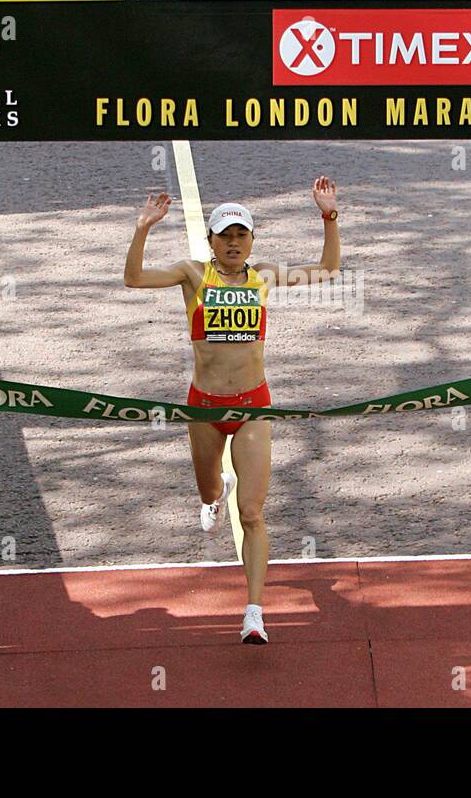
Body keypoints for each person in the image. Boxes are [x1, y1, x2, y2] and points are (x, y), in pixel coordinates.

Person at [124, 178, 341, 643]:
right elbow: (134, 278)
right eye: (225, 236)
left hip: (253, 406)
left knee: (252, 514)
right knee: (209, 494)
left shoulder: (263, 275)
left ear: (251, 241)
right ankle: (213, 491)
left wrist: (329, 215)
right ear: (211, 241)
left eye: (241, 235)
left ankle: (254, 612)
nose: (234, 243)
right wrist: (142, 228)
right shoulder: (192, 274)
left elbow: (326, 270)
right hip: (203, 408)